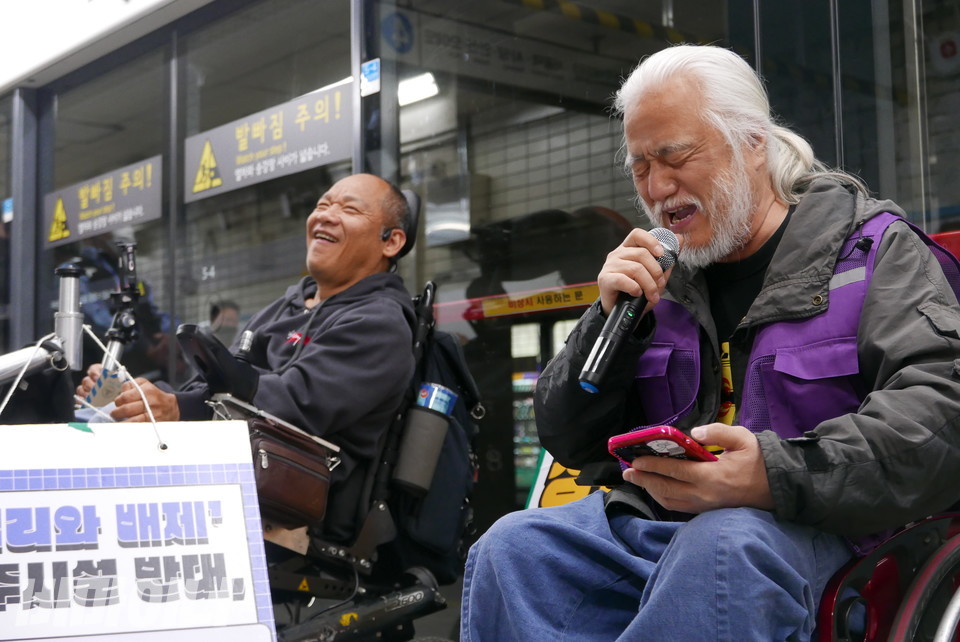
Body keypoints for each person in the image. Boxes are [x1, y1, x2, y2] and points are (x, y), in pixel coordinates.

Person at [460, 44, 960, 641]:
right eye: (640, 167)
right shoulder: (658, 280)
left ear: (753, 143)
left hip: (831, 531)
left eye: (675, 157)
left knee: (725, 545)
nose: (657, 187)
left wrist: (773, 474)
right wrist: (608, 321)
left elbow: (940, 415)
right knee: (512, 549)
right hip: (665, 523)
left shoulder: (874, 254)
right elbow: (567, 437)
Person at [76, 173, 418, 543]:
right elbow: (212, 384)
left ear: (391, 241)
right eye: (322, 205)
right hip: (227, 480)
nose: (326, 215)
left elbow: (293, 404)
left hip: (291, 511)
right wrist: (138, 399)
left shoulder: (379, 323)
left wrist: (176, 408)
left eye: (349, 209)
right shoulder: (286, 305)